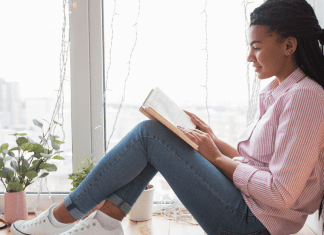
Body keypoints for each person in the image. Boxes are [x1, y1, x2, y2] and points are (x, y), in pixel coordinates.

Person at [11, 0, 324, 234]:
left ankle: (60, 218)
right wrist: (213, 141)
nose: (249, 57)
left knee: (150, 135)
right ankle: (104, 223)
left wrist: (215, 158)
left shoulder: (306, 96)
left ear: (288, 45)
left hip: (254, 222)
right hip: (250, 209)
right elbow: (259, 165)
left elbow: (281, 193)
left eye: (256, 47)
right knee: (156, 135)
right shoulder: (281, 91)